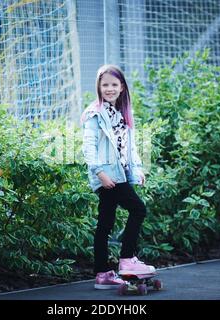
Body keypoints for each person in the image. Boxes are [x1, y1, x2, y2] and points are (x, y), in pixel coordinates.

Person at [81, 64, 156, 290]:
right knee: (138, 209)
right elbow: (88, 146)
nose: (109, 89)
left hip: (119, 174)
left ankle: (102, 274)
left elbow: (128, 148)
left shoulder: (123, 114)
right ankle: (127, 260)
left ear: (122, 87)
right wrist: (99, 172)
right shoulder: (95, 114)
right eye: (105, 85)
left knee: (105, 223)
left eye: (114, 85)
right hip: (108, 175)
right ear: (98, 87)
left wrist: (138, 169)